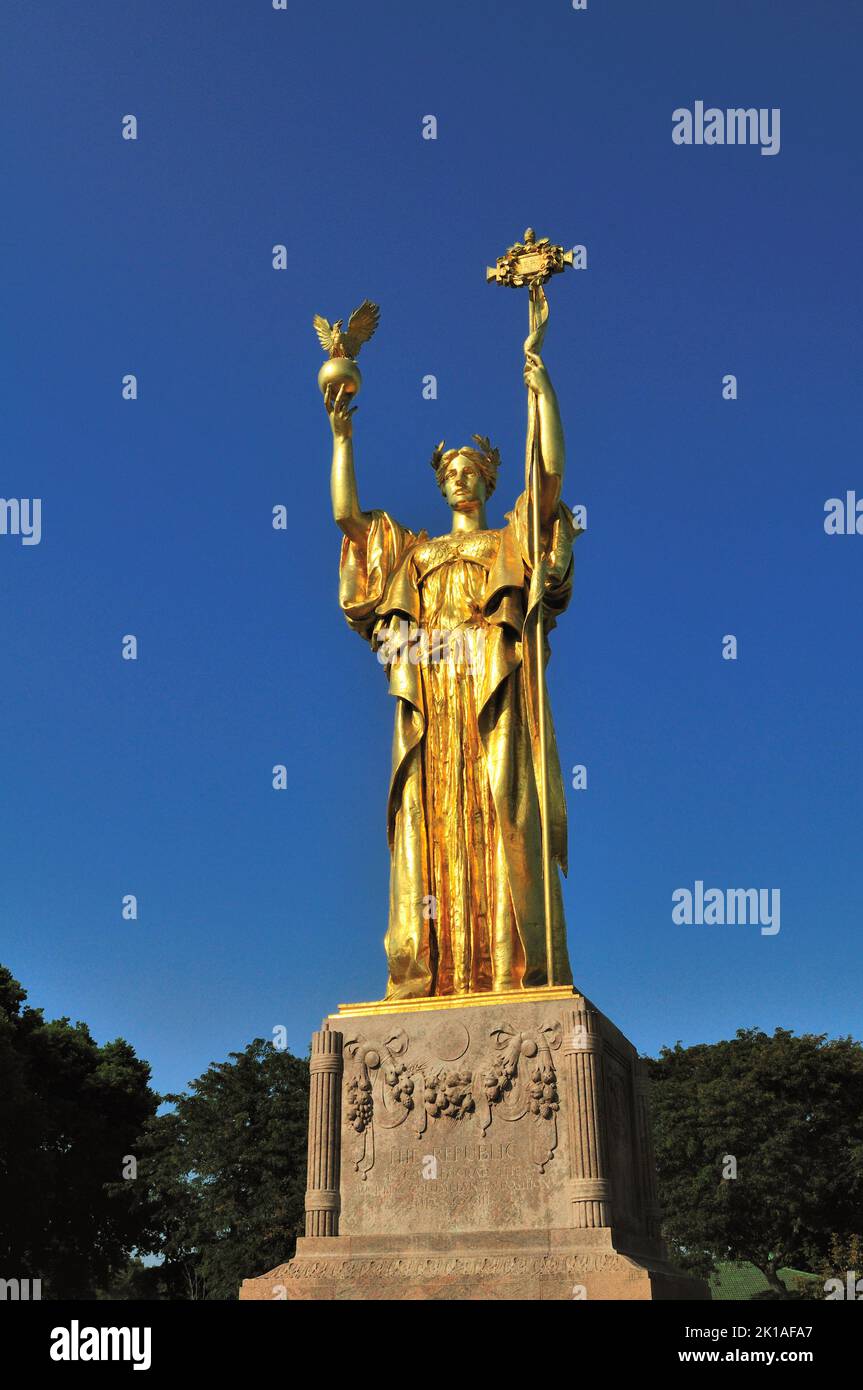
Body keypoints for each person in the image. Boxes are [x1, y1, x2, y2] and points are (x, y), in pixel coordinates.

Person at [328, 345, 578, 999]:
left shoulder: (509, 541)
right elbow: (348, 520)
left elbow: (547, 477)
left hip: (490, 687)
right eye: (451, 471)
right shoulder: (416, 552)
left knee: (500, 812)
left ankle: (508, 970)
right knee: (431, 819)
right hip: (434, 689)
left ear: (490, 481)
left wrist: (541, 390)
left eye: (471, 470)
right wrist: (341, 434)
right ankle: (429, 972)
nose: (461, 478)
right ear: (441, 483)